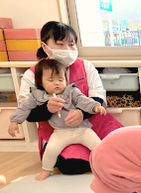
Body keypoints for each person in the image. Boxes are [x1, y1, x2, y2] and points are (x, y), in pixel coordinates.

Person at [17, 21, 122, 175]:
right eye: (60, 44)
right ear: (45, 47)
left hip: (93, 124)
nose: (67, 50)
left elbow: (98, 97)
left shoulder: (86, 67)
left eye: (71, 44)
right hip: (58, 131)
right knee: (73, 165)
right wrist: (46, 109)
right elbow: (27, 112)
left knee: (126, 148)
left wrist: (82, 113)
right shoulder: (32, 74)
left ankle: (104, 158)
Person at [9, 59, 106, 181]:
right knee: (50, 151)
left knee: (99, 146)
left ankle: (107, 166)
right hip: (60, 132)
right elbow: (24, 108)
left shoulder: (72, 91)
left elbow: (84, 100)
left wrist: (94, 106)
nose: (57, 83)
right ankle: (46, 170)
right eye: (51, 80)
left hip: (82, 129)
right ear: (40, 82)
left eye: (60, 80)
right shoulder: (37, 96)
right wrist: (15, 121)